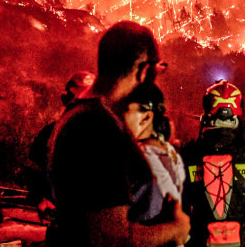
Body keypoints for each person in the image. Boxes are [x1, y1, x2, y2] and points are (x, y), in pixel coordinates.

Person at [48, 21, 190, 246]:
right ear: (143, 71)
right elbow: (108, 236)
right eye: (157, 70)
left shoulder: (83, 113)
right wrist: (174, 230)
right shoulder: (97, 126)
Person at [181, 80, 245, 247]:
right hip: (242, 240)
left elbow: (181, 206)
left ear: (208, 110)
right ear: (237, 113)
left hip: (201, 240)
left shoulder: (189, 154)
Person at [28, 71, 94, 223]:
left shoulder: (106, 137)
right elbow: (33, 171)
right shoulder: (49, 134)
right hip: (61, 222)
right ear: (65, 100)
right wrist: (41, 199)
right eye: (77, 100)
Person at [122, 83, 186, 220]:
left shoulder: (142, 160)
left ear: (146, 118)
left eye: (124, 109)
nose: (117, 116)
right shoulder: (168, 151)